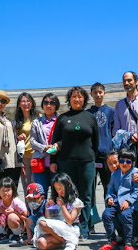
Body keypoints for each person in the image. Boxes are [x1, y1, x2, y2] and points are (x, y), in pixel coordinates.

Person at [50, 86, 99, 239]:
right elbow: (55, 141)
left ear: (84, 99)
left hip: (86, 162)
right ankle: (67, 226)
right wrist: (53, 160)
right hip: (66, 162)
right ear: (69, 99)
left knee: (86, 195)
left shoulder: (90, 117)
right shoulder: (62, 118)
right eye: (74, 97)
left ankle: (84, 229)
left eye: (80, 97)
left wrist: (92, 158)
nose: (77, 99)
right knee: (66, 194)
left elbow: (95, 142)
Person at [100, 148, 138, 250]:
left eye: (128, 162)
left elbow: (137, 191)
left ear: (132, 163)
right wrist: (109, 197)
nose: (124, 164)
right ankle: (112, 241)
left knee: (125, 215)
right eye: (122, 161)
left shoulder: (135, 173)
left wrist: (128, 201)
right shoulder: (115, 174)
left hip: (130, 204)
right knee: (106, 214)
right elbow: (110, 189)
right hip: (116, 202)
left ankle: (128, 242)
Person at [87, 82, 115, 225]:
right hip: (91, 155)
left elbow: (113, 131)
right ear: (91, 95)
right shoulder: (87, 113)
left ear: (104, 93)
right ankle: (91, 220)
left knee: (108, 188)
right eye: (95, 92)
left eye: (100, 92)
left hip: (106, 154)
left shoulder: (110, 111)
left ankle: (109, 219)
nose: (98, 95)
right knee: (90, 190)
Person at [33, 172, 84, 250]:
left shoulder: (76, 202)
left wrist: (62, 206)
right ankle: (65, 242)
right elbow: (49, 219)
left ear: (69, 184)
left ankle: (70, 241)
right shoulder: (56, 200)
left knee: (42, 223)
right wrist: (47, 207)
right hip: (56, 230)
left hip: (70, 229)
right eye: (56, 188)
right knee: (41, 243)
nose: (59, 191)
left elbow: (70, 221)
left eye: (60, 187)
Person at [0, 90, 22, 197]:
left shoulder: (10, 120)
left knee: (12, 195)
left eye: (3, 101)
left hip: (13, 162)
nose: (0, 103)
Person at [30, 92, 60, 195]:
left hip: (56, 162)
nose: (48, 105)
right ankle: (41, 212)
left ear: (56, 105)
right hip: (40, 162)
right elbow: (32, 141)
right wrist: (44, 147)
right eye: (46, 102)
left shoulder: (61, 120)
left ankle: (56, 212)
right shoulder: (36, 122)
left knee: (57, 193)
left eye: (52, 103)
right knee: (40, 193)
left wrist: (57, 146)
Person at [113, 72, 138, 152]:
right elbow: (115, 130)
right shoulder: (119, 105)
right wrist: (128, 136)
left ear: (136, 81)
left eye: (129, 80)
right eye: (124, 81)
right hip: (127, 148)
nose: (126, 83)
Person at [0, 176, 28, 243]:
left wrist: (15, 212)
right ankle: (3, 234)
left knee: (12, 217)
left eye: (8, 190)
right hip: (5, 225)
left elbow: (27, 218)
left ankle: (17, 235)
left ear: (13, 190)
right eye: (3, 190)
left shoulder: (16, 202)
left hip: (18, 226)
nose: (5, 193)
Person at [15, 92, 39, 195]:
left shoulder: (38, 118)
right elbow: (14, 140)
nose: (26, 104)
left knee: (36, 186)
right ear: (19, 104)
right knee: (26, 187)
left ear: (32, 103)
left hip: (36, 156)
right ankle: (28, 210)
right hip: (24, 158)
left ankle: (37, 210)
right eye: (23, 101)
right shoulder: (17, 121)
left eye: (28, 101)